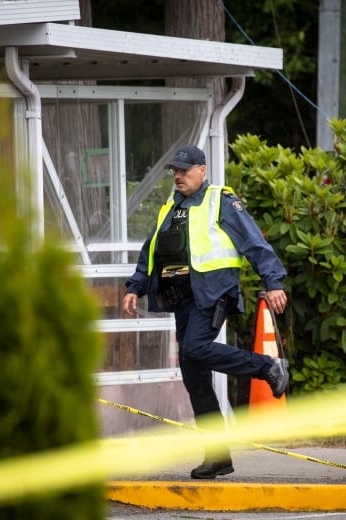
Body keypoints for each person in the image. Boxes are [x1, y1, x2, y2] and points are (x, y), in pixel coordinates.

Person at [122, 144, 289, 479]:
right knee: (193, 372)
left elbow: (254, 243)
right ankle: (217, 456)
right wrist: (135, 286)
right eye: (175, 171)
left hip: (213, 294)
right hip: (180, 297)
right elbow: (151, 249)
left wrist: (273, 281)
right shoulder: (171, 205)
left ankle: (268, 366)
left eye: (185, 170)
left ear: (202, 170)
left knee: (195, 348)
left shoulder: (221, 201)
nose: (179, 176)